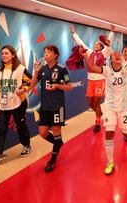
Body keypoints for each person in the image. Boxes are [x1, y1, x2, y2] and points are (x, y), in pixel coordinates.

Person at [80, 36, 127, 175]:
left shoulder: (126, 69)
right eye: (115, 55)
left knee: (126, 133)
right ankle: (110, 162)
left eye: (120, 55)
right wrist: (85, 55)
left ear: (122, 59)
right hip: (110, 107)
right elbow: (92, 67)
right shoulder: (106, 70)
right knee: (109, 134)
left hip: (124, 107)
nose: (118, 55)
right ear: (110, 59)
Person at [0, 45, 32, 165]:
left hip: (19, 103)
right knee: (0, 129)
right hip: (3, 104)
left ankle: (26, 145)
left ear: (13, 55)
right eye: (2, 53)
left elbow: (32, 81)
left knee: (21, 126)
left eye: (6, 53)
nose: (4, 55)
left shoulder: (21, 69)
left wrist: (24, 89)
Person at [30, 44, 73, 172]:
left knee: (56, 132)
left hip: (57, 106)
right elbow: (32, 85)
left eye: (49, 52)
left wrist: (57, 86)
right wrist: (35, 71)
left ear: (55, 55)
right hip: (44, 107)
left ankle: (53, 159)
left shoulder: (61, 69)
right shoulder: (42, 69)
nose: (46, 54)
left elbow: (69, 86)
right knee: (42, 133)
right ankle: (58, 143)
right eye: (45, 52)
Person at [70, 24, 114, 133]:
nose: (95, 45)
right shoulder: (89, 52)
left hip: (99, 80)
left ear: (101, 47)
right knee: (90, 103)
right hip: (90, 80)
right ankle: (100, 114)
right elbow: (81, 43)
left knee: (97, 102)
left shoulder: (104, 53)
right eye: (94, 44)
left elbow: (108, 45)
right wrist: (74, 34)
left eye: (98, 44)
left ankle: (98, 121)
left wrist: (111, 32)